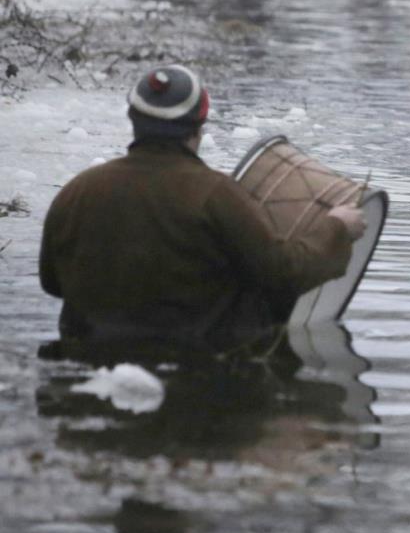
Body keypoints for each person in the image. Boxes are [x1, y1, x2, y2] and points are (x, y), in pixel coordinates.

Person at [38, 65, 367, 358]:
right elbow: (281, 273)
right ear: (198, 127)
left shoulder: (76, 191)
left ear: (134, 121)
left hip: (87, 357)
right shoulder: (215, 194)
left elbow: (51, 283)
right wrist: (336, 228)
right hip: (194, 362)